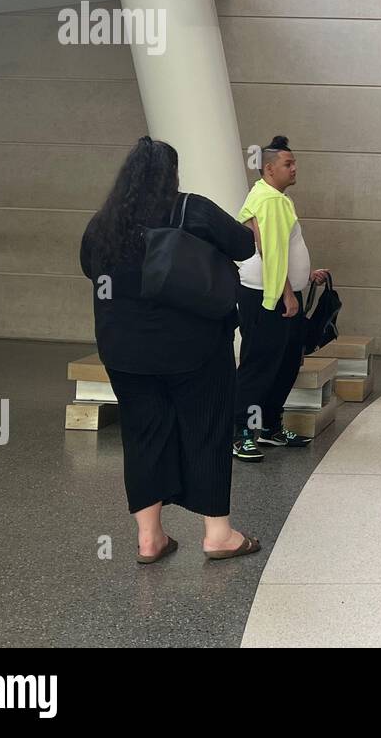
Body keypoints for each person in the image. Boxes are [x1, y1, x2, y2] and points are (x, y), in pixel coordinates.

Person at [79, 136, 260, 563]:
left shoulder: (104, 223)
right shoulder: (190, 209)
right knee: (207, 429)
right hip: (194, 348)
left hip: (123, 351)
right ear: (172, 174)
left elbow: (90, 267)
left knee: (142, 435)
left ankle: (150, 539)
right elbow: (243, 246)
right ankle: (218, 535)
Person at [233, 135, 329, 461]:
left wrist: (305, 275)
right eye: (288, 164)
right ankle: (242, 433)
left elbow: (283, 248)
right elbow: (270, 253)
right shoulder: (269, 200)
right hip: (269, 297)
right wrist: (288, 294)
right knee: (260, 365)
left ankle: (270, 426)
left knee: (286, 364)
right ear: (269, 169)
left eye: (294, 162)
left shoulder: (275, 197)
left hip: (280, 294)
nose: (294, 168)